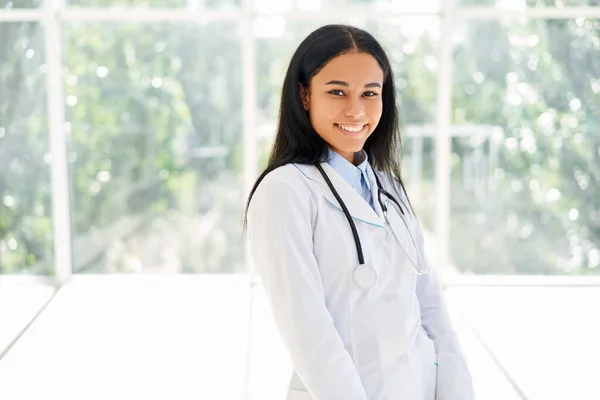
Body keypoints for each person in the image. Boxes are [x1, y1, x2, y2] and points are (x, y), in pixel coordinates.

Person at [244, 24, 475, 400]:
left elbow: (432, 311)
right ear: (304, 95)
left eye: (370, 93)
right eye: (337, 92)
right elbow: (309, 335)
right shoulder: (285, 191)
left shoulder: (389, 189)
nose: (356, 109)